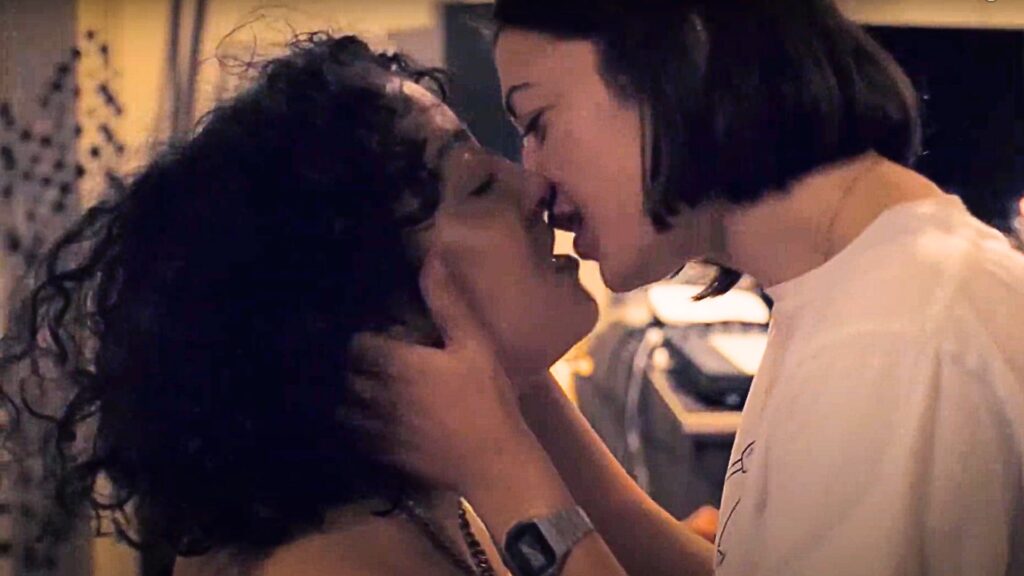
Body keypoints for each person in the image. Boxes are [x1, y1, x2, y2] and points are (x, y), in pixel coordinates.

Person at [362, 1, 1024, 575]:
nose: (534, 179)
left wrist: (503, 476)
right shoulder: (852, 294)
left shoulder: (893, 341)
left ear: (682, 54)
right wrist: (517, 388)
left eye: (538, 121)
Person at [0, 33, 622, 575]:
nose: (533, 186)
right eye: (480, 185)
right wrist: (504, 468)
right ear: (368, 305)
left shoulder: (425, 509)